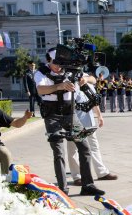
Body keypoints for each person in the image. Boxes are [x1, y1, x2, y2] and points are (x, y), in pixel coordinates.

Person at [35, 47, 105, 197]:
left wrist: (85, 79)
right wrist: (59, 86)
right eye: (56, 62)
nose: (60, 66)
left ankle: (88, 185)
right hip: (52, 114)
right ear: (48, 61)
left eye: (62, 62)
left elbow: (93, 78)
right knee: (58, 151)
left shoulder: (69, 69)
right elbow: (40, 90)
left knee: (84, 147)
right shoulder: (41, 72)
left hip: (70, 113)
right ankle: (62, 189)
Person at [67, 87, 118, 186]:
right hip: (74, 121)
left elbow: (94, 101)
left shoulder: (87, 83)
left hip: (89, 121)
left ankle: (102, 172)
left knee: (94, 147)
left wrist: (99, 115)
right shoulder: (68, 80)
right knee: (73, 149)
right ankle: (77, 176)